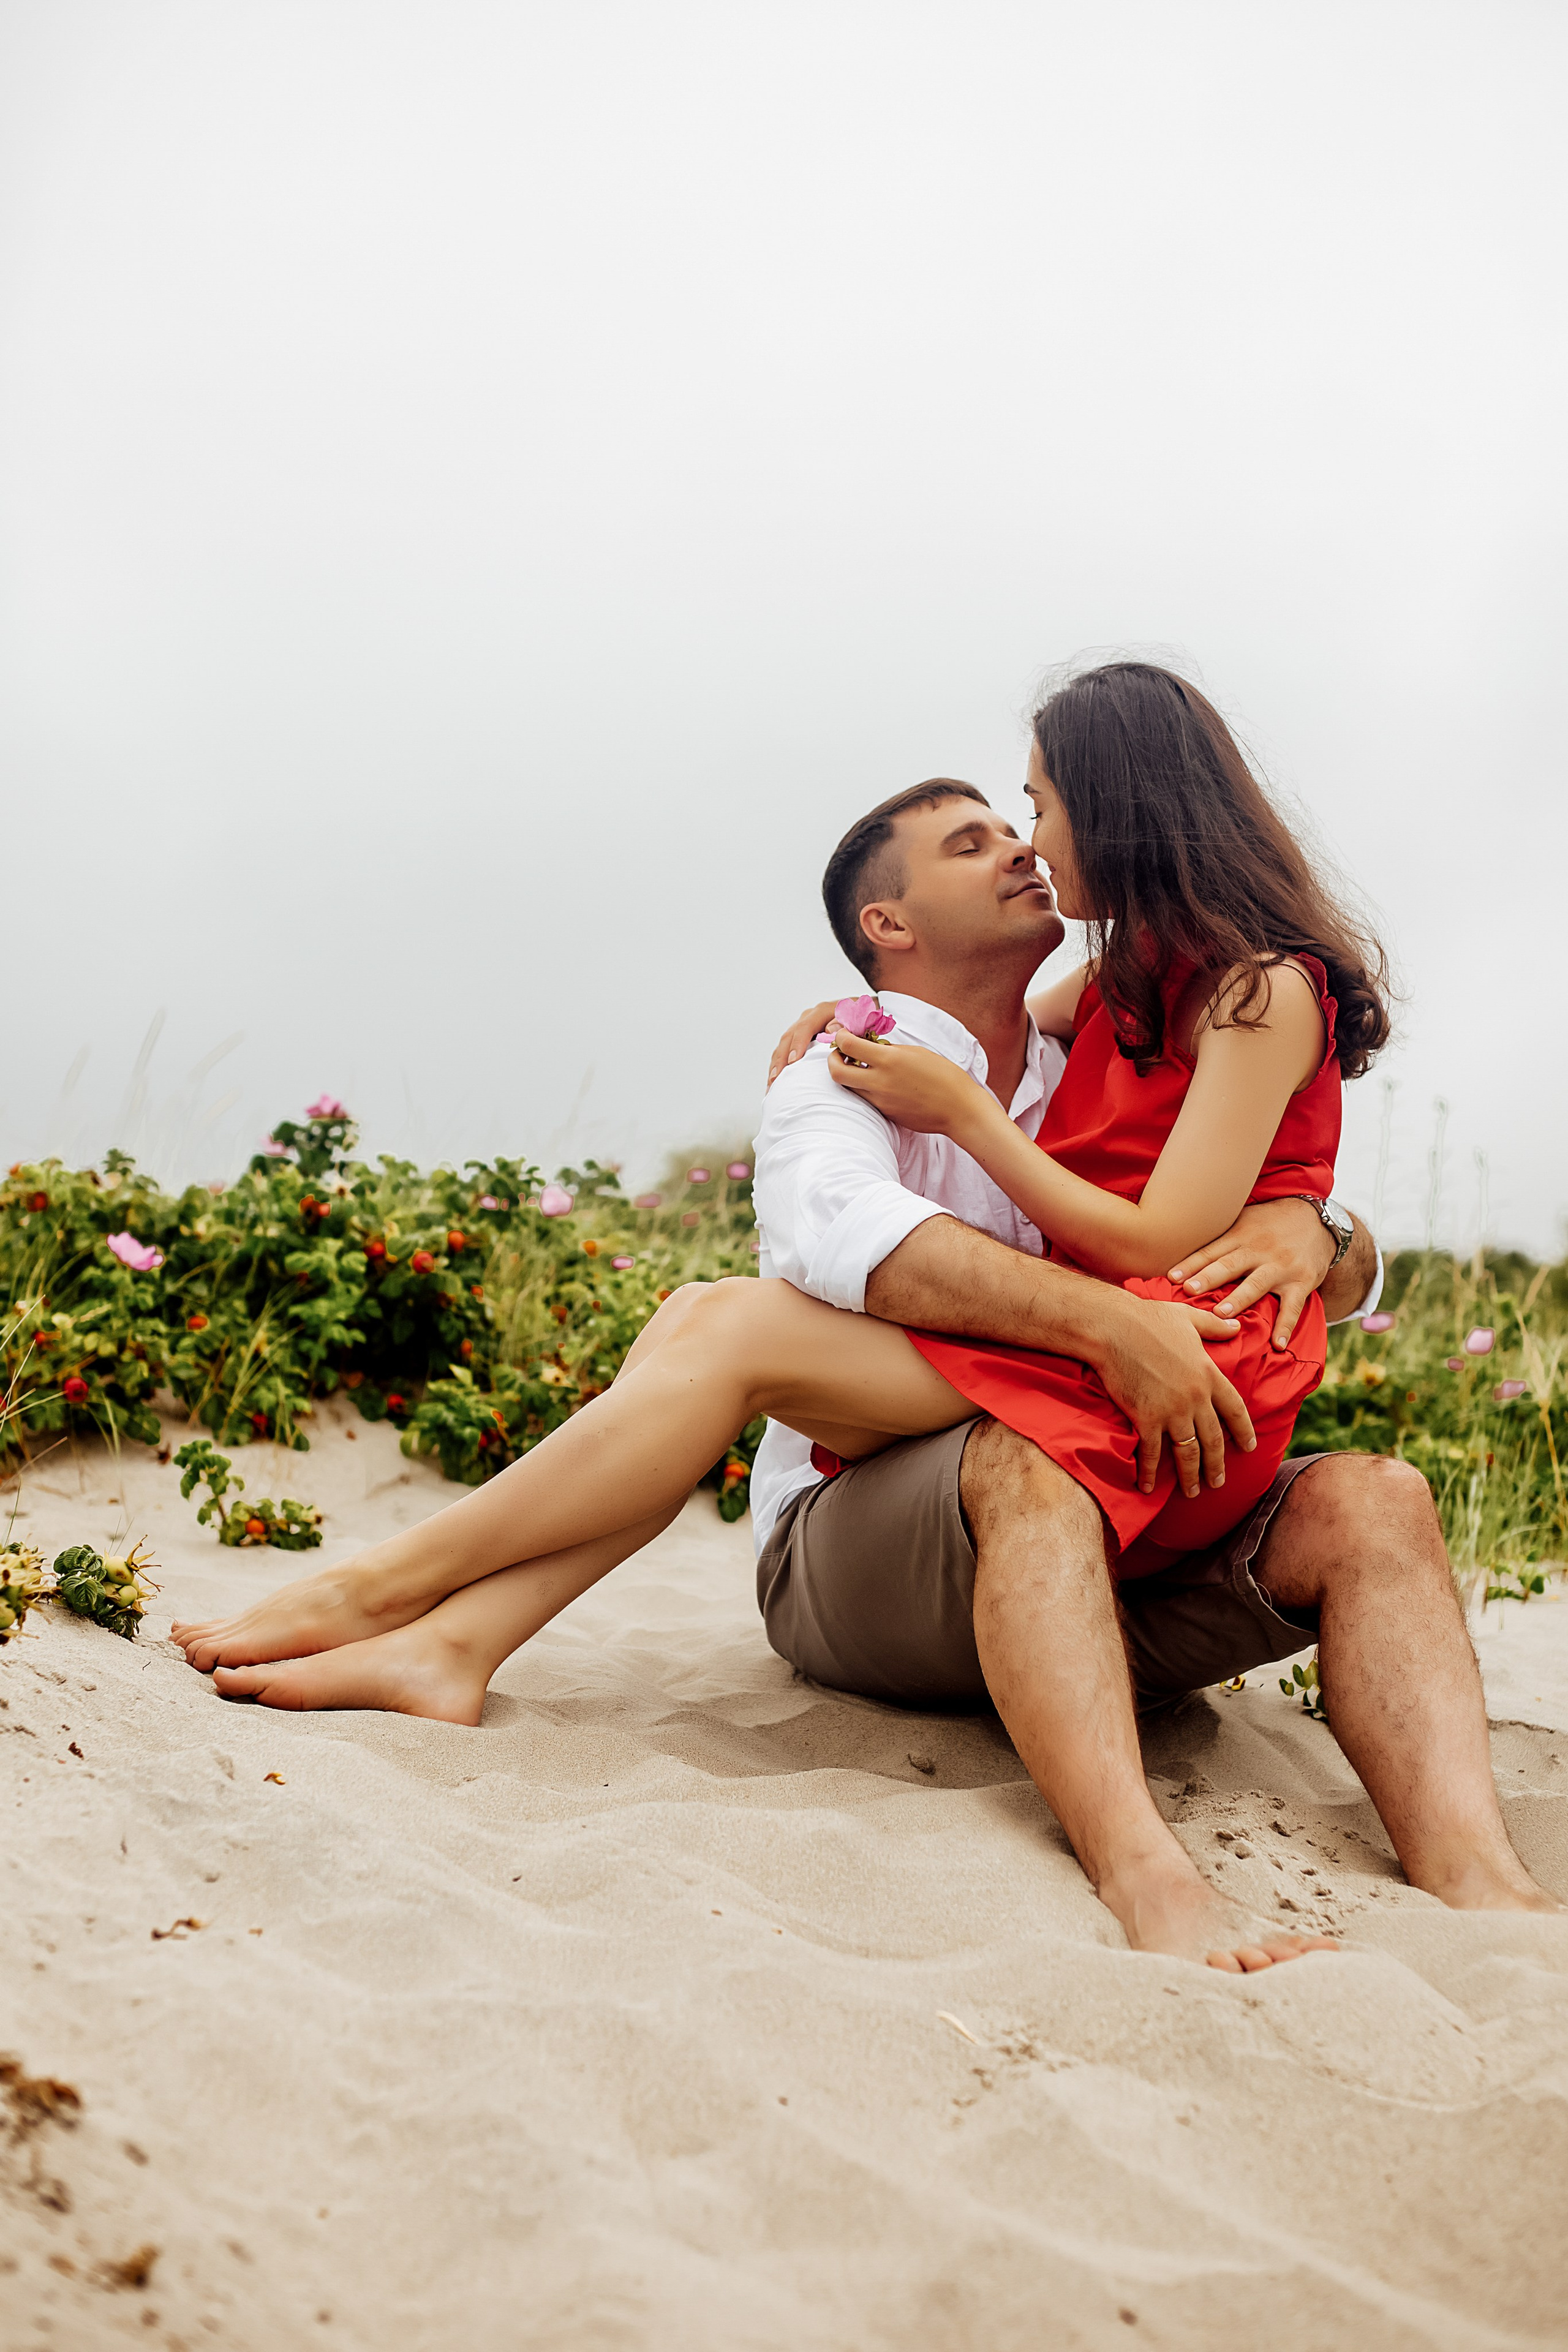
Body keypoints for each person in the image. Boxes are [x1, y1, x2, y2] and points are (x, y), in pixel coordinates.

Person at [172, 663, 1561, 1968]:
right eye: (984, 835)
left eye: (1032, 811)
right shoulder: (877, 1060)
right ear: (889, 928)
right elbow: (850, 1240)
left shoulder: (1127, 1011)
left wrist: (1321, 1232)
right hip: (895, 1531)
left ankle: (1481, 1884)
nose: (1025, 844)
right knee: (761, 1339)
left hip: (1152, 1466)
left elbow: (1232, 1180)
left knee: (1376, 1498)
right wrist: (1085, 1293)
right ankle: (1145, 1875)